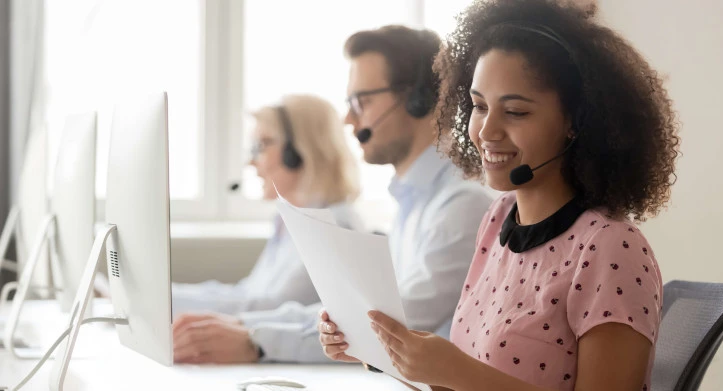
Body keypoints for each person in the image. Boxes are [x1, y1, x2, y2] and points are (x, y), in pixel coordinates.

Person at [319, 1, 680, 390]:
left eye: (516, 112)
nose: (487, 131)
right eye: (478, 106)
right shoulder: (497, 220)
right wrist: (383, 351)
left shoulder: (610, 249)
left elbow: (470, 378)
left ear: (576, 122)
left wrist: (455, 369)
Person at [170, 25, 492, 365]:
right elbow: (354, 312)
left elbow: (391, 326)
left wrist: (258, 339)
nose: (348, 118)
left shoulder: (460, 205)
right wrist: (249, 327)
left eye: (362, 101)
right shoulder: (414, 204)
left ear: (419, 100)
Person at [171, 94, 363, 318]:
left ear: (298, 151)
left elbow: (271, 308)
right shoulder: (289, 219)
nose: (251, 163)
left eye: (260, 146)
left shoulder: (334, 226)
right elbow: (247, 293)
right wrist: (167, 294)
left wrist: (166, 302)